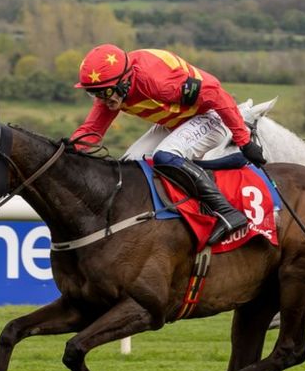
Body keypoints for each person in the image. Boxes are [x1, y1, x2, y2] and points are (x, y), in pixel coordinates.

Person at [71, 43, 266, 244]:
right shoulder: (114, 88)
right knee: (128, 165)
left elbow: (217, 94)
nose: (101, 100)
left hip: (213, 115)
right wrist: (66, 154)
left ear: (123, 83)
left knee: (164, 155)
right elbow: (91, 131)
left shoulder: (158, 81)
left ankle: (227, 212)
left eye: (104, 92)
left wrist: (244, 141)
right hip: (178, 122)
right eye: (94, 94)